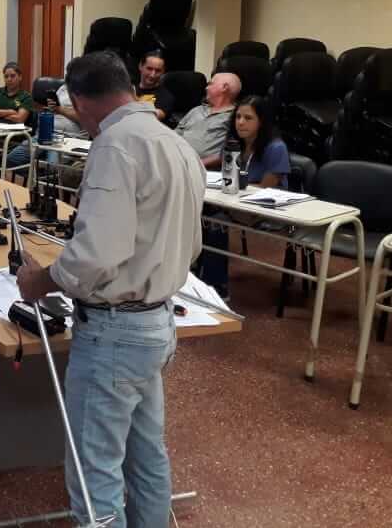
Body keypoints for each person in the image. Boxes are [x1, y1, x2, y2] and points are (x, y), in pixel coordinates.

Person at [16, 51, 205, 528]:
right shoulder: (175, 142)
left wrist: (39, 281)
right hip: (156, 322)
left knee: (93, 471)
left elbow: (94, 256)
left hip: (114, 334)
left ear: (80, 102)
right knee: (146, 457)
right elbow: (192, 244)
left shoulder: (114, 146)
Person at [198, 96, 291, 298]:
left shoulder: (276, 148)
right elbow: (226, 178)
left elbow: (264, 190)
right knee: (197, 214)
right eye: (238, 117)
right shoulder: (233, 144)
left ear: (262, 122)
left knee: (215, 222)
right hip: (233, 203)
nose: (240, 122)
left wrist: (231, 189)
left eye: (248, 118)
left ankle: (216, 288)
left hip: (266, 209)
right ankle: (196, 279)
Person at [175, 72, 242, 168]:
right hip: (175, 162)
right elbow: (174, 135)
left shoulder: (235, 117)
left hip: (203, 169)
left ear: (224, 87)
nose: (206, 88)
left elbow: (229, 153)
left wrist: (195, 165)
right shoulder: (196, 110)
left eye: (210, 84)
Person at [134, 50, 174, 121]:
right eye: (149, 69)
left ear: (163, 71)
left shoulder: (166, 97)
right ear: (140, 66)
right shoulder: (129, 90)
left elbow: (153, 117)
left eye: (158, 71)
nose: (152, 75)